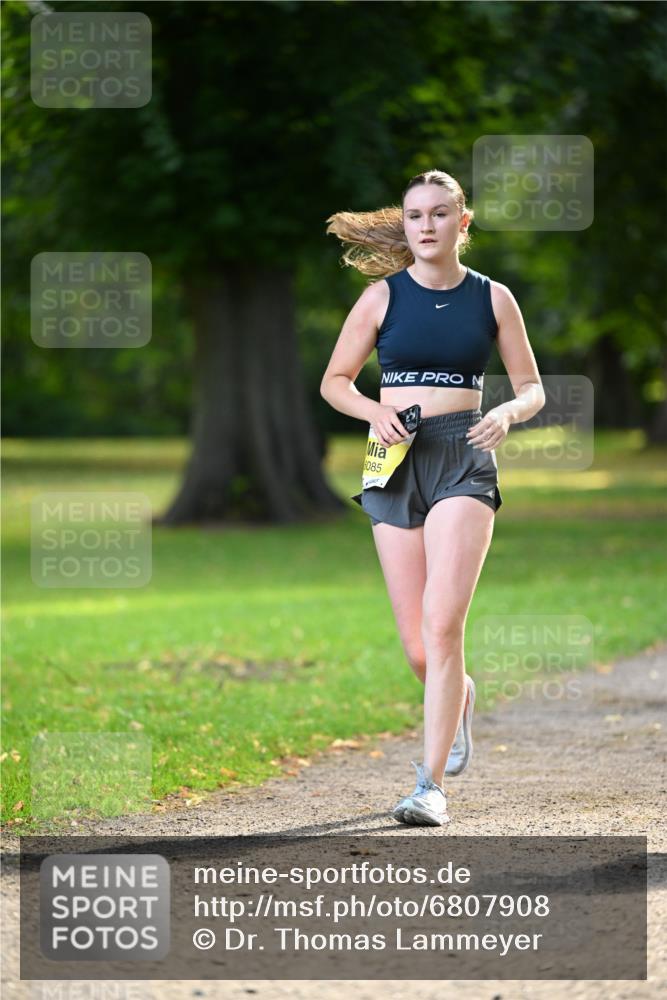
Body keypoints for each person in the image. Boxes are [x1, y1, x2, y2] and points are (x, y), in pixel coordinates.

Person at [320, 169, 545, 826]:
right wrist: (368, 410)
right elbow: (334, 380)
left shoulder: (493, 298)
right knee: (418, 647)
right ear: (407, 225)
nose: (425, 225)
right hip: (391, 457)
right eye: (415, 215)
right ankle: (460, 696)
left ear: (461, 224)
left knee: (443, 626)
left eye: (439, 214)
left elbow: (532, 387)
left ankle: (429, 785)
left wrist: (506, 415)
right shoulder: (380, 299)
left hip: (462, 455)